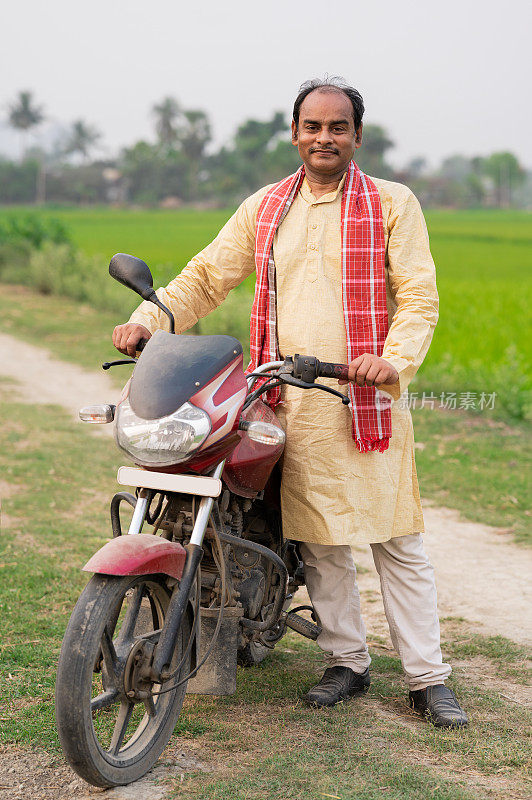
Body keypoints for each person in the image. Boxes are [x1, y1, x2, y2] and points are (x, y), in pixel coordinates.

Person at [113, 77, 467, 728]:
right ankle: (347, 662)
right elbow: (207, 274)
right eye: (312, 126)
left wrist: (392, 359)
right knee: (320, 540)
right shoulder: (268, 206)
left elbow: (418, 296)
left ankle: (427, 677)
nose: (323, 138)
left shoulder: (393, 203)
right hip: (288, 401)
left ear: (357, 135)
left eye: (338, 127)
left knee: (397, 543)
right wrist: (150, 318)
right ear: (295, 132)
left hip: (366, 399)